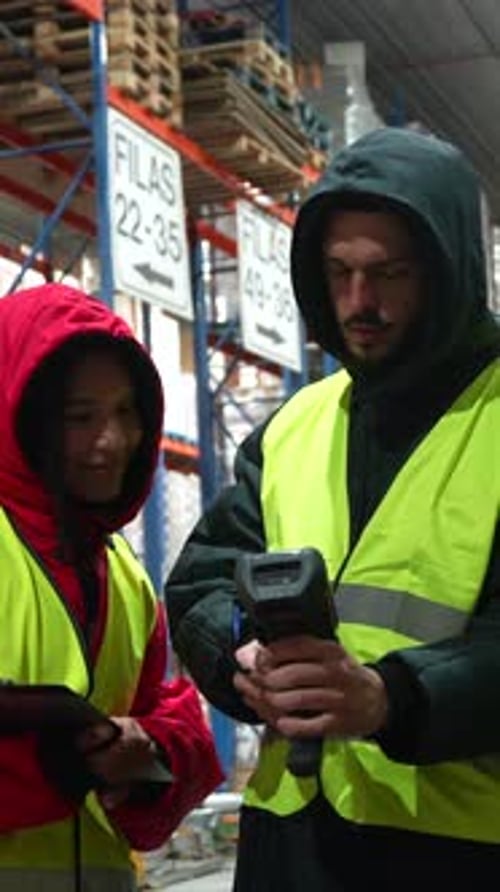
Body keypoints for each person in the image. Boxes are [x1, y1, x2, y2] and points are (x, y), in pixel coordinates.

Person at [165, 126, 500, 891]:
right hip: (293, 846)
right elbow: (199, 582)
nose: (359, 303)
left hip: (458, 852)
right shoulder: (295, 426)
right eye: (339, 272)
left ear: (449, 272)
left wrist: (392, 697)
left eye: (390, 274)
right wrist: (239, 658)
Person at [0, 282, 223, 891]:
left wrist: (152, 754)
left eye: (126, 412)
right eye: (80, 418)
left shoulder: (125, 576)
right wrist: (61, 763)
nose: (112, 442)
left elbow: (178, 729)